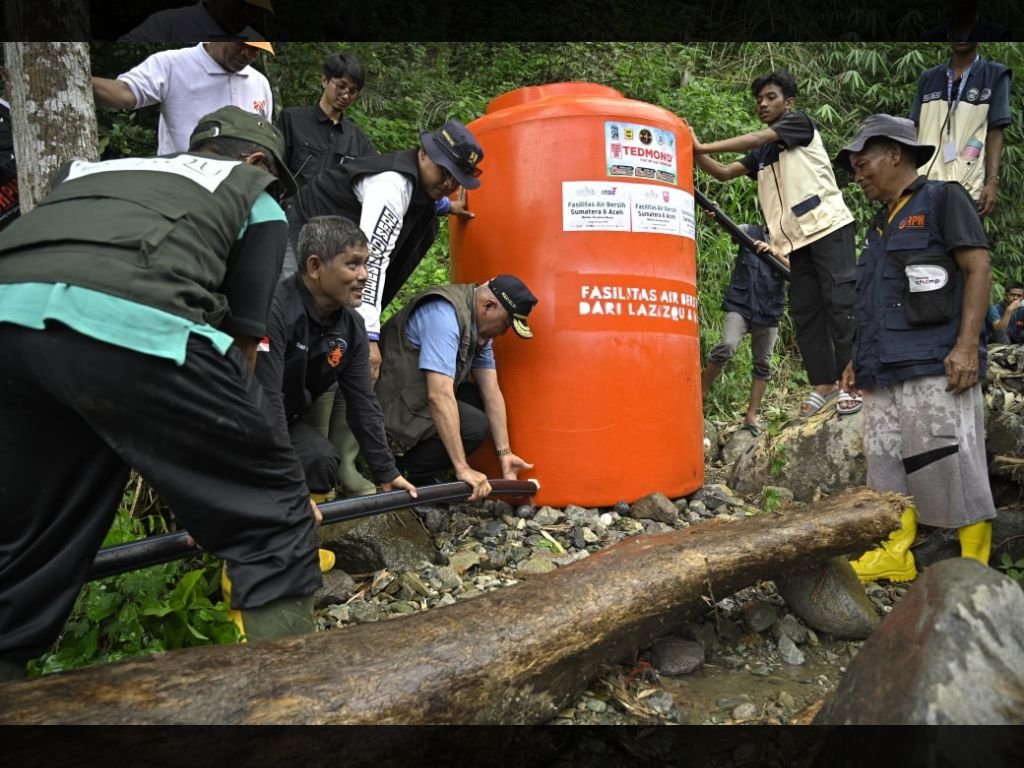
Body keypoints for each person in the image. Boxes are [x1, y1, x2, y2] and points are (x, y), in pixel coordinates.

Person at [0, 106, 319, 681]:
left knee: (33, 535)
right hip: (130, 316)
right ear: (255, 161)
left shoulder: (100, 174)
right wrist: (222, 482)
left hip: (10, 323)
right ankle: (295, 705)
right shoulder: (256, 196)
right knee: (272, 515)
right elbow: (241, 350)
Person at [836, 114, 996, 582]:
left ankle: (973, 565)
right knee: (885, 463)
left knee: (950, 458)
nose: (859, 174)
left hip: (935, 361)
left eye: (864, 163)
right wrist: (854, 359)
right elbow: (874, 297)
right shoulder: (879, 224)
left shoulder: (944, 198)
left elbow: (978, 267)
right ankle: (895, 552)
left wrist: (967, 346)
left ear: (895, 154)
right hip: (881, 368)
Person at [691, 70, 859, 418]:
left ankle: (853, 383)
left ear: (789, 102)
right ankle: (824, 385)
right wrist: (690, 149)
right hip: (795, 242)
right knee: (806, 312)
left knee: (840, 304)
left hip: (827, 226)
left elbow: (754, 137)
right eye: (760, 100)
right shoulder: (764, 153)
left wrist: (702, 145)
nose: (763, 104)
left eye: (771, 97)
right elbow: (722, 172)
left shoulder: (798, 124)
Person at [291, 117, 485, 381]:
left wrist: (446, 207)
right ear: (424, 153)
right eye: (444, 172)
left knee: (331, 333)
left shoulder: (420, 187)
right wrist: (369, 335)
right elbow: (373, 259)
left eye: (456, 178)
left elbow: (419, 199)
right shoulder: (391, 186)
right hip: (299, 231)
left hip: (335, 253)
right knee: (293, 321)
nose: (449, 184)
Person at [254, 214, 417, 506]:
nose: (365, 274)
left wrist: (386, 471)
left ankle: (306, 535)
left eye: (366, 263)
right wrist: (289, 482)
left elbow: (363, 403)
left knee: (320, 460)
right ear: (315, 267)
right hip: (240, 421)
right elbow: (267, 398)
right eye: (352, 264)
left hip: (285, 422)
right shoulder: (273, 310)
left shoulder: (351, 326)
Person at [375, 275, 537, 501]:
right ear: (488, 307)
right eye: (505, 324)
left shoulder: (477, 328)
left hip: (416, 398)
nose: (503, 333)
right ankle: (406, 470)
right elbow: (439, 397)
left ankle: (428, 468)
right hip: (390, 406)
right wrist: (463, 468)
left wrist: (505, 453)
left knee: (476, 398)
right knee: (475, 425)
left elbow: (491, 392)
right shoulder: (444, 316)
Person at [92, 41, 275, 156]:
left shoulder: (259, 82)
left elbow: (264, 142)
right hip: (182, 188)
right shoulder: (173, 65)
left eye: (255, 49)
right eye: (241, 44)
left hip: (240, 192)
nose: (248, 55)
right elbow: (124, 94)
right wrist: (75, 81)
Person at [701, 224, 791, 434]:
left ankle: (751, 415)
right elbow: (726, 226)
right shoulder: (749, 231)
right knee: (727, 345)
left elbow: (797, 272)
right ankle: (701, 393)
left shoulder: (790, 242)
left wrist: (775, 254)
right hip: (741, 304)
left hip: (769, 310)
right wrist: (713, 214)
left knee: (763, 363)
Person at [910, 41, 1012, 217]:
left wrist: (992, 182)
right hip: (923, 185)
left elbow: (996, 130)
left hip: (968, 187)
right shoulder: (928, 78)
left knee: (962, 244)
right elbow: (914, 129)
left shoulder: (995, 74)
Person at [118, 0, 274, 42]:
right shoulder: (169, 23)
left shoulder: (256, 40)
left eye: (255, 12)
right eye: (241, 7)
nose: (246, 15)